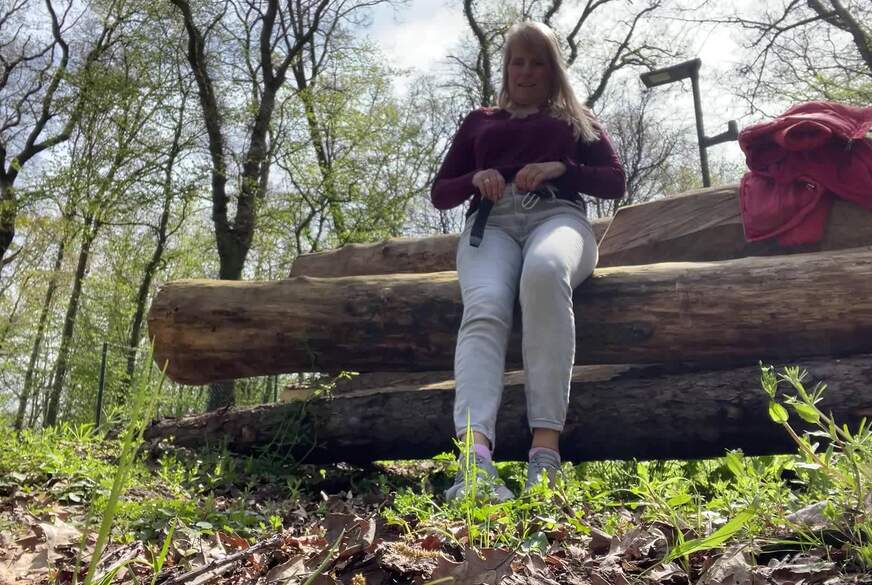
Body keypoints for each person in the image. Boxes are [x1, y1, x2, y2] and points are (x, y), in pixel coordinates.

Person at [430, 21, 626, 501]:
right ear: (506, 68)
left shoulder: (576, 119)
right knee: (486, 305)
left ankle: (545, 455)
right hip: (490, 225)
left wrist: (563, 168)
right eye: (517, 62)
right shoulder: (480, 121)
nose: (526, 71)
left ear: (552, 70)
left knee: (544, 273)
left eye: (537, 62)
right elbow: (440, 193)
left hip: (557, 218)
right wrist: (476, 177)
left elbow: (614, 181)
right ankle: (474, 462)